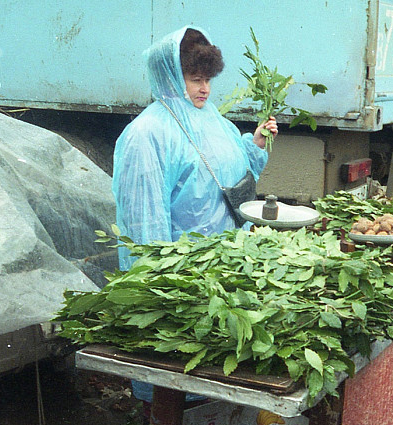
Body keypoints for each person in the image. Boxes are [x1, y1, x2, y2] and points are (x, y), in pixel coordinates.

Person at [111, 25, 277, 403]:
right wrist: (163, 285)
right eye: (194, 79)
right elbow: (144, 227)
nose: (204, 88)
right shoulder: (147, 134)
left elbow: (236, 173)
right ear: (170, 75)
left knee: (220, 371)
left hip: (226, 270)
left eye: (208, 80)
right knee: (180, 376)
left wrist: (256, 144)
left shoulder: (214, 119)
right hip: (184, 279)